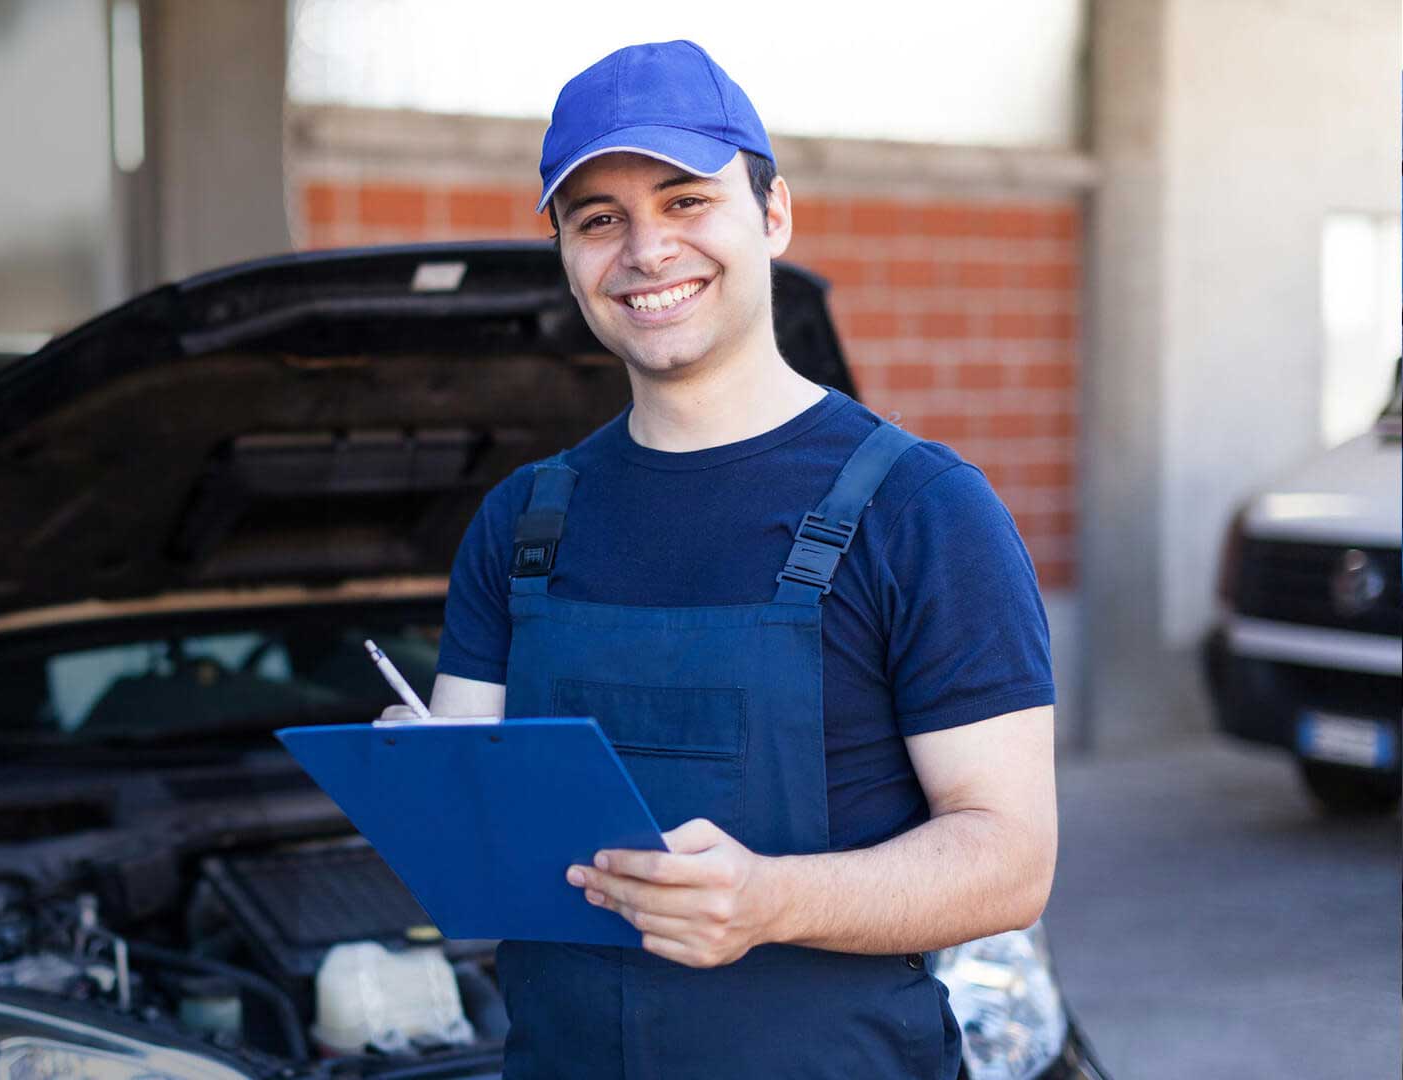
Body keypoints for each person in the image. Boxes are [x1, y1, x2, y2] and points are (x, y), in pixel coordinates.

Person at [379, 39, 1059, 1079]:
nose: (646, 251)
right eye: (598, 219)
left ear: (773, 214)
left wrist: (774, 899)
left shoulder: (922, 511)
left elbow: (1010, 862)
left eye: (686, 201)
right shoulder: (521, 522)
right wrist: (417, 786)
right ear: (567, 252)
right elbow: (473, 846)